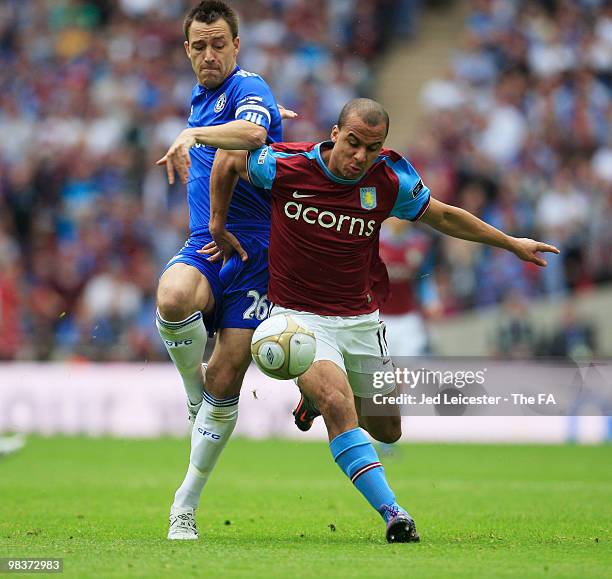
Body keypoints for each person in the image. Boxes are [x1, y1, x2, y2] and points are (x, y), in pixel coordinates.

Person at [204, 98, 560, 543]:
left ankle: (309, 402)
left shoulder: (389, 180)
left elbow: (444, 215)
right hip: (299, 321)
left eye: (371, 148)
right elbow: (231, 158)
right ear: (334, 134)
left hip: (360, 322)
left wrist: (510, 243)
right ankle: (394, 513)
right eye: (353, 143)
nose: (360, 157)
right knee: (340, 405)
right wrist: (217, 224)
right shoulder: (285, 165)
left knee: (388, 428)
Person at [154, 1, 294, 540]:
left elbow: (255, 134)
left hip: (256, 255)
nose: (209, 55)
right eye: (198, 46)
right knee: (171, 297)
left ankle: (184, 503)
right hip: (205, 246)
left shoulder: (246, 87)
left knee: (229, 373)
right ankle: (194, 390)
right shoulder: (204, 97)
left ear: (237, 46)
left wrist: (195, 136)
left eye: (219, 44)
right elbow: (260, 126)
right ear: (186, 49)